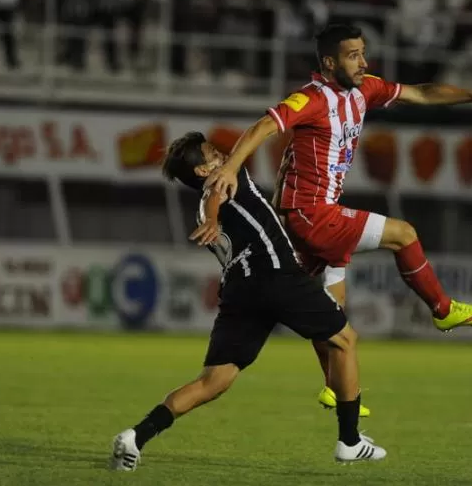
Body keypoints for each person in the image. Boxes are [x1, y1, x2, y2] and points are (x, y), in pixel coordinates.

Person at [205, 23, 472, 416]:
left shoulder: (365, 88)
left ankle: (333, 387)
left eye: (363, 52)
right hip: (311, 213)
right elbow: (266, 125)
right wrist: (232, 167)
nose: (363, 61)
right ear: (329, 61)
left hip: (306, 217)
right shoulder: (311, 99)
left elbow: (419, 92)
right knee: (403, 234)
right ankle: (442, 310)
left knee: (329, 310)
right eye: (353, 55)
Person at [110, 132, 386, 471]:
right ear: (201, 171)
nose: (223, 154)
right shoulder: (224, 179)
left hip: (240, 292)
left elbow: (256, 215)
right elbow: (216, 193)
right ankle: (350, 440)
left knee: (213, 382)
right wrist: (213, 216)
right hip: (275, 275)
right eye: (213, 153)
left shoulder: (212, 202)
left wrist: (272, 184)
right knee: (344, 339)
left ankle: (135, 437)